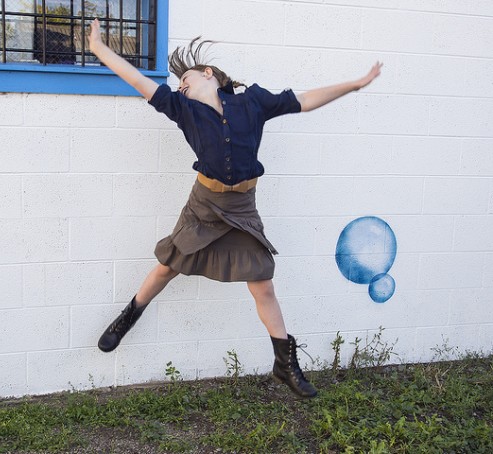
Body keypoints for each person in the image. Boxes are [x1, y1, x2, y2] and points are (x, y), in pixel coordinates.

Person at [89, 18, 382, 398]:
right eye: (178, 85)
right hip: (204, 204)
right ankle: (128, 316)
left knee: (262, 283)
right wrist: (99, 49)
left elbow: (305, 100)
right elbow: (136, 80)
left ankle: (285, 363)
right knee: (168, 266)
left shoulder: (254, 102)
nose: (182, 86)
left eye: (187, 80)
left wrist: (355, 84)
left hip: (243, 205)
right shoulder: (182, 109)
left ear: (208, 74)